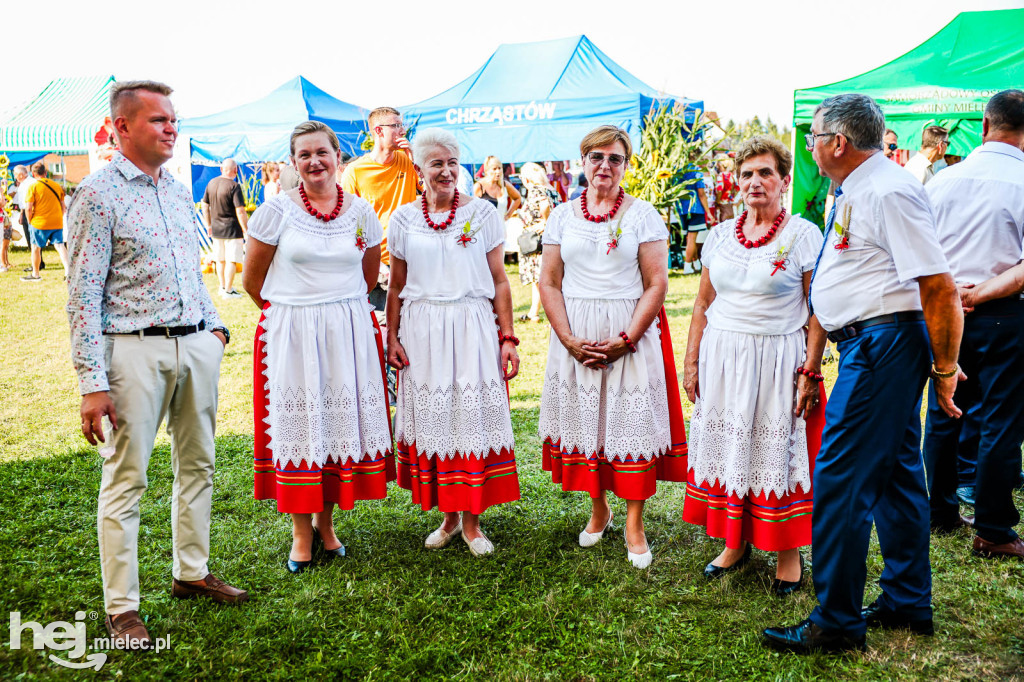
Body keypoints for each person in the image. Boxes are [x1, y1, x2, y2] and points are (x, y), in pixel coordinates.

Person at [764, 94, 963, 653]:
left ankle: (836, 622)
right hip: (872, 344)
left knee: (841, 478)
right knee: (898, 474)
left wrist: (946, 369)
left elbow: (938, 285)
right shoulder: (855, 188)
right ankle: (905, 599)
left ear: (839, 142)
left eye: (813, 135)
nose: (809, 144)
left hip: (882, 346)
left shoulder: (889, 190)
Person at [67, 80, 247, 650]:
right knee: (128, 478)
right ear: (120, 127)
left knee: (200, 464)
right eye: (157, 120)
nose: (171, 128)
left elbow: (190, 271)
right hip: (133, 352)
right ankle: (122, 608)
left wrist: (213, 327)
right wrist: (92, 384)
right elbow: (82, 294)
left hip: (195, 344)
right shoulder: (96, 195)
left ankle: (190, 572)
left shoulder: (175, 190)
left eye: (173, 119)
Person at [243, 121, 394, 574]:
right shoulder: (276, 211)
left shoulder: (362, 212)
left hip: (347, 328)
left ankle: (326, 525)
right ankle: (300, 533)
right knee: (300, 427)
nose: (314, 162)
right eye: (304, 154)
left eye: (322, 153)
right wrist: (293, 316)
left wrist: (340, 312)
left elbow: (368, 276)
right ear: (293, 162)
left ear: (338, 158)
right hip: (291, 330)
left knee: (334, 424)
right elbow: (254, 280)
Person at [538, 125, 688, 569]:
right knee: (591, 423)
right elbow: (548, 280)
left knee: (631, 426)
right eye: (597, 157)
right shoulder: (562, 215)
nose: (605, 166)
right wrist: (567, 338)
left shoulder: (643, 215)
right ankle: (598, 507)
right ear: (581, 162)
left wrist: (627, 339)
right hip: (577, 330)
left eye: (615, 159)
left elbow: (656, 282)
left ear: (626, 165)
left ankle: (634, 523)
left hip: (629, 330)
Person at [683, 136, 827, 594]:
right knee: (730, 448)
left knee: (777, 455)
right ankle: (734, 542)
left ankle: (788, 553)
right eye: (747, 174)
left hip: (776, 361)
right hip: (723, 358)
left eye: (766, 172)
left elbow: (817, 308)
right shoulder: (722, 234)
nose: (755, 182)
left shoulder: (804, 234)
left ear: (784, 180)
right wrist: (691, 361)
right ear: (736, 182)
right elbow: (704, 301)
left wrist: (810, 368)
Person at [386, 128, 520, 557]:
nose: (446, 171)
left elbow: (500, 280)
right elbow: (396, 287)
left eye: (452, 162)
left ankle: (473, 522)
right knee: (436, 419)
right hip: (422, 330)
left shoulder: (482, 213)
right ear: (420, 169)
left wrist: (508, 337)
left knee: (470, 416)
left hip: (472, 324)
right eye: (436, 163)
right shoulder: (404, 218)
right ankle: (447, 516)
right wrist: (392, 335)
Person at [922, 89, 1024, 560]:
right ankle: (993, 529)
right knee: (1002, 421)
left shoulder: (942, 181)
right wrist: (981, 292)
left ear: (984, 125)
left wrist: (956, 296)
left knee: (945, 412)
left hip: (946, 310)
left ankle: (939, 512)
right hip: (1006, 314)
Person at [342, 107, 419, 311]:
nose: (402, 131)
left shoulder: (408, 160)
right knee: (380, 327)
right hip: (377, 262)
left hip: (411, 257)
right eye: (396, 125)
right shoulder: (355, 171)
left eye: (402, 125)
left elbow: (432, 193)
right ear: (378, 131)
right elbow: (347, 221)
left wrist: (415, 159)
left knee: (412, 324)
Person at [201, 158, 248, 298]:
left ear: (221, 169)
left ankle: (222, 287)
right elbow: (240, 210)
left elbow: (204, 205)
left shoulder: (211, 183)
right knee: (231, 260)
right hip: (232, 229)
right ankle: (228, 290)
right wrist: (245, 230)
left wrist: (208, 224)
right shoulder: (234, 186)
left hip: (216, 228)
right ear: (236, 170)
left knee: (220, 259)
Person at [517, 162, 557, 322]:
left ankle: (547, 315)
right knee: (539, 280)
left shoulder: (536, 190)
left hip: (538, 241)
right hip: (548, 239)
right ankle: (534, 312)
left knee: (541, 279)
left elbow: (545, 205)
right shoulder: (550, 188)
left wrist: (546, 221)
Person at [21, 162, 69, 282]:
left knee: (36, 248)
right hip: (57, 221)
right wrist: (59, 216)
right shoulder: (57, 186)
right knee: (60, 245)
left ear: (33, 174)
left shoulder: (33, 187)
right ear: (45, 173)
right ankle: (69, 272)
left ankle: (35, 274)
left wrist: (30, 220)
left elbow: (28, 208)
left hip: (39, 222)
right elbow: (63, 207)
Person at [676, 164, 717, 275]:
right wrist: (708, 213)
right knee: (692, 239)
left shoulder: (677, 168)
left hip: (681, 208)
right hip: (695, 207)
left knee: (689, 238)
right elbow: (701, 193)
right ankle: (687, 266)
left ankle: (695, 263)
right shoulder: (696, 170)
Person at [474, 155, 522, 220]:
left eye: (499, 168)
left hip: (501, 226)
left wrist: (508, 215)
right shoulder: (479, 186)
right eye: (494, 169)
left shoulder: (505, 185)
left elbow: (518, 198)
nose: (498, 172)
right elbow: (471, 208)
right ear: (487, 170)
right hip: (484, 227)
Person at [712, 155, 740, 222]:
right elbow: (737, 188)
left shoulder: (721, 176)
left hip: (722, 204)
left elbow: (719, 190)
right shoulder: (731, 175)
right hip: (730, 203)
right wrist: (731, 196)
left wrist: (717, 201)